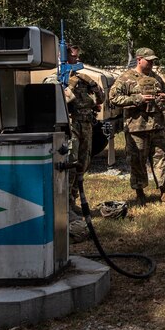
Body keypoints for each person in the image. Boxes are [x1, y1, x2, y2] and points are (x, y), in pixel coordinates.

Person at [109, 47, 165, 206]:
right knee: (137, 161)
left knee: (161, 159)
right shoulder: (125, 78)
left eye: (153, 60)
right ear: (139, 59)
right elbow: (113, 98)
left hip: (157, 126)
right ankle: (140, 193)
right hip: (136, 128)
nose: (152, 63)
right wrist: (137, 98)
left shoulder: (156, 77)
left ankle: (164, 192)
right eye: (149, 60)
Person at [48, 44, 104, 212]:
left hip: (86, 125)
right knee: (70, 164)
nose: (78, 59)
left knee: (83, 163)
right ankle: (65, 204)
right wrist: (69, 88)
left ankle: (73, 199)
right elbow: (56, 104)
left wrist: (94, 86)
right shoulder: (54, 79)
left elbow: (100, 100)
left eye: (78, 56)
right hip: (70, 127)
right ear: (63, 58)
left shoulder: (82, 78)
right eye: (74, 56)